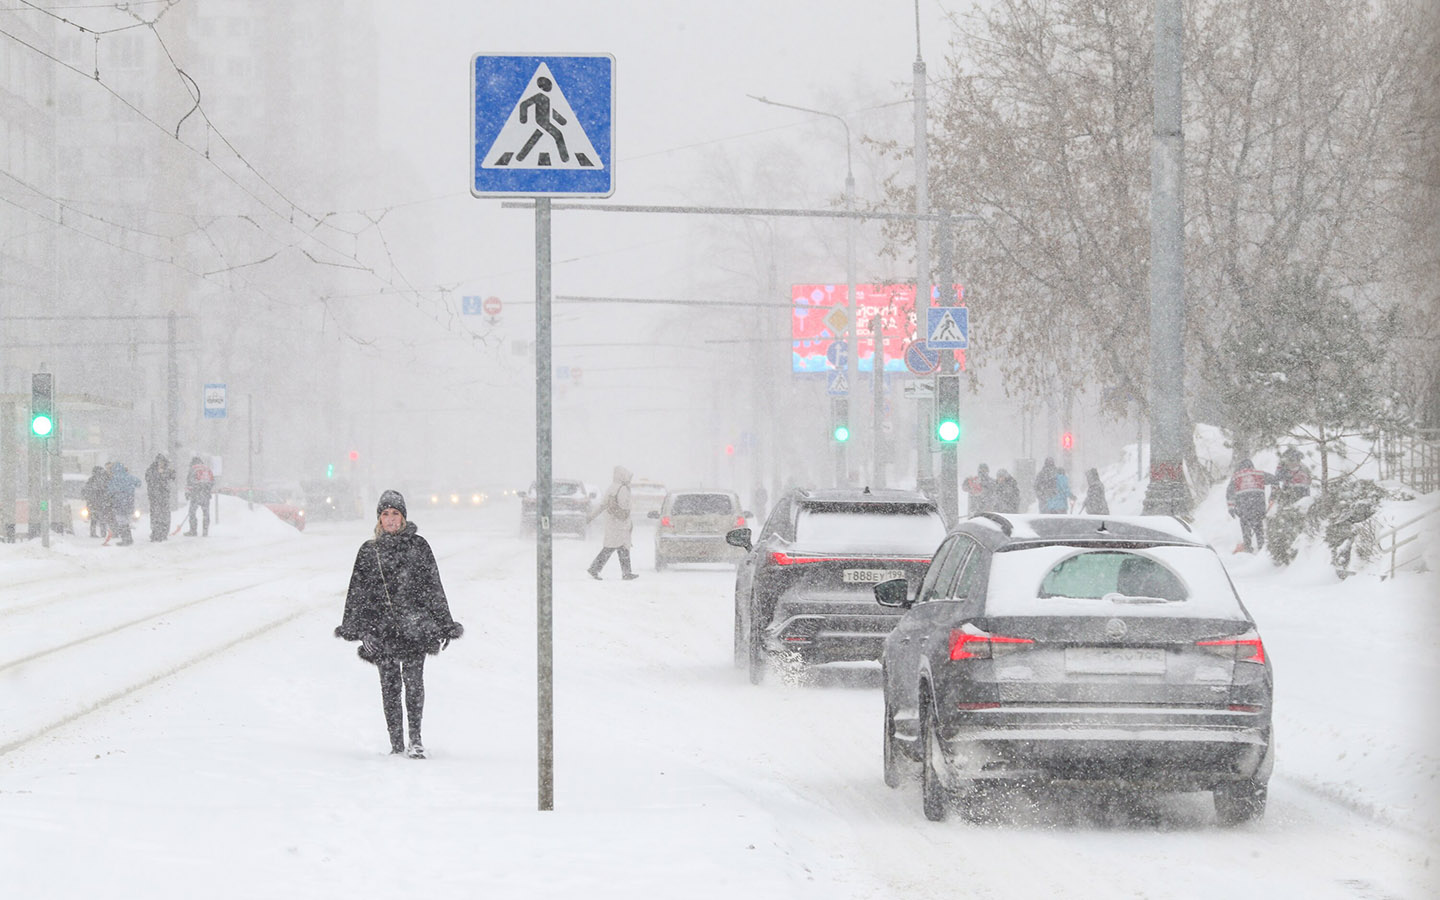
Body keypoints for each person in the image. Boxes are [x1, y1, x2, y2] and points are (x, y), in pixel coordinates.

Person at [334, 490, 463, 758]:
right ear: (379, 519)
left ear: (403, 517)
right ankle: (395, 743)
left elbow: (433, 586)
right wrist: (361, 630)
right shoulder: (369, 551)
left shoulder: (419, 546)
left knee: (414, 683)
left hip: (416, 628)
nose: (390, 519)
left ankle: (415, 740)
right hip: (382, 631)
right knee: (390, 686)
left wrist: (444, 623)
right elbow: (359, 593)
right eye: (385, 514)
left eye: (395, 514)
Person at [587, 465, 639, 580]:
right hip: (620, 523)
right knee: (618, 547)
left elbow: (602, 505)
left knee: (615, 546)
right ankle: (597, 569)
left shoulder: (611, 487)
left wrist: (591, 516)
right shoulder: (623, 489)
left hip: (611, 522)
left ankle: (624, 572)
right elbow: (624, 506)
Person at [1226, 457, 1271, 553]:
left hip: (1243, 508)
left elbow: (1229, 492)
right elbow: (1274, 479)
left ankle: (1247, 547)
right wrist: (1274, 496)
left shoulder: (1236, 476)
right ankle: (1261, 548)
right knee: (1259, 529)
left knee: (1245, 528)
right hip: (1258, 507)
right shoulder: (1259, 474)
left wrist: (1231, 508)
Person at [105, 462, 141, 546]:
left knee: (121, 522)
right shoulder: (129, 477)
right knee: (127, 521)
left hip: (118, 503)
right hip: (129, 502)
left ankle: (125, 539)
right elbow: (139, 483)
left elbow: (109, 491)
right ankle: (129, 538)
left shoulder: (114, 479)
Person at [144, 454, 175, 542]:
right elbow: (148, 478)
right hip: (154, 496)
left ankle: (163, 532)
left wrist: (167, 472)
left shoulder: (167, 470)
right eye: (159, 462)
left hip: (163, 496)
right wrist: (159, 474)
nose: (160, 464)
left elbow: (173, 477)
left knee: (164, 515)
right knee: (155, 515)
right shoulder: (151, 470)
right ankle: (155, 532)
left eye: (162, 462)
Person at [184, 455, 214, 536]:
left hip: (195, 494)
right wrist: (207, 490)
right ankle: (205, 531)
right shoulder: (207, 469)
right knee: (206, 513)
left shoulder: (193, 469)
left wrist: (188, 493)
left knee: (192, 512)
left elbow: (189, 482)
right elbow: (212, 482)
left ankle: (193, 531)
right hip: (206, 495)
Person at [82, 465, 110, 538]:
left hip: (92, 503)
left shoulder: (91, 480)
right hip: (102, 502)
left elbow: (85, 491)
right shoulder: (104, 480)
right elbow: (107, 491)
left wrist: (88, 498)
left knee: (93, 519)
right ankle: (103, 533)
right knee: (102, 518)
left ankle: (93, 532)